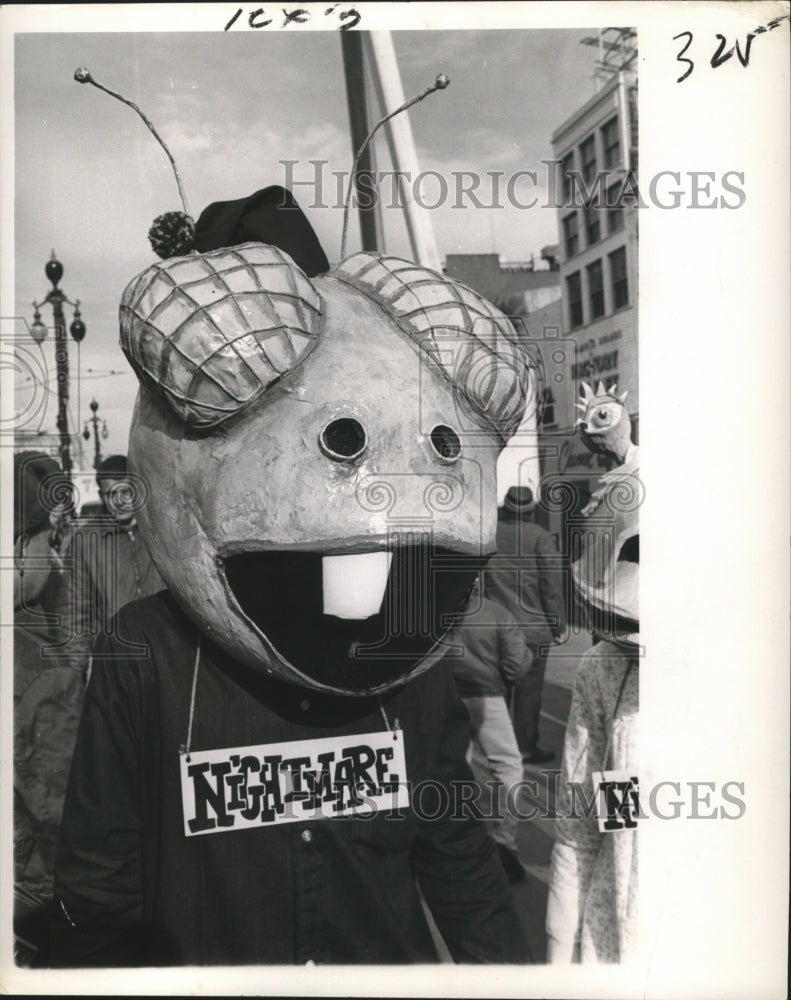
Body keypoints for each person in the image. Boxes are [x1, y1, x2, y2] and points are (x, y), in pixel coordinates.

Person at [13, 452, 85, 966]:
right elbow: (64, 814)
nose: (55, 556)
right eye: (47, 542)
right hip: (31, 904)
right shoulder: (41, 672)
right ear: (19, 548)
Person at [444, 589, 533, 884]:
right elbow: (517, 664)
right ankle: (504, 841)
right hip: (488, 697)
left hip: (450, 695)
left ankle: (459, 838)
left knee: (457, 767)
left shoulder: (438, 611)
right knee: (508, 765)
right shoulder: (498, 614)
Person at [58, 454, 164, 676]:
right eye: (110, 493)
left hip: (165, 657)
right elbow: (76, 614)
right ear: (101, 496)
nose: (120, 501)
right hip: (116, 664)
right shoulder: (86, 542)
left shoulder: (160, 531)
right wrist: (74, 680)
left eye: (126, 491)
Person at [483, 486, 567, 764]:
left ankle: (498, 748)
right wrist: (558, 625)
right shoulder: (540, 537)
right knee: (529, 692)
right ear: (531, 511)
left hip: (496, 628)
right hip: (534, 631)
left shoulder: (490, 534)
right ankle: (526, 748)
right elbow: (551, 585)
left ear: (504, 509)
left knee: (499, 689)